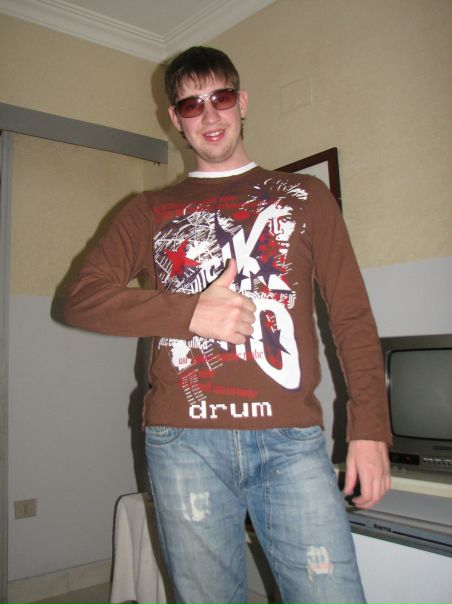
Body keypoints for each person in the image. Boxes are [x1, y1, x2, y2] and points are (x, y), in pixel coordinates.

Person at [64, 46, 392, 604]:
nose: (209, 114)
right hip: (183, 443)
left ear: (242, 102)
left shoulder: (306, 198)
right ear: (176, 119)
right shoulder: (146, 211)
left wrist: (370, 428)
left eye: (220, 97)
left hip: (290, 441)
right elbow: (80, 299)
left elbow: (352, 317)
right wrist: (190, 312)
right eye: (191, 104)